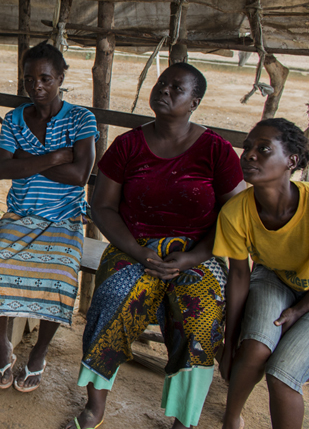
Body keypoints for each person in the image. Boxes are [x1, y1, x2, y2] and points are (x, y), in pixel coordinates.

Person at [74, 63, 245, 429]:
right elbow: (102, 206)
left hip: (198, 253)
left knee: (201, 319)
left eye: (176, 88)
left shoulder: (216, 151)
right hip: (132, 247)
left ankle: (185, 418)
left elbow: (235, 217)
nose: (164, 90)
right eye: (161, 83)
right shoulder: (127, 146)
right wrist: (139, 252)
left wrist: (194, 257)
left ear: (194, 101)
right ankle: (95, 406)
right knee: (111, 301)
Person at [215, 118, 309, 429]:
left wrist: (301, 309)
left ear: (291, 161)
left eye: (264, 149)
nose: (249, 155)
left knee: (282, 373)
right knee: (253, 348)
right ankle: (231, 419)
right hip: (276, 277)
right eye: (248, 147)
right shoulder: (236, 212)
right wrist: (229, 344)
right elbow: (239, 277)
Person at [0, 42, 97, 392]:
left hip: (64, 218)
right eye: (29, 79)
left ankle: (39, 353)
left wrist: (28, 161)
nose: (36, 85)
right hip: (21, 214)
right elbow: (3, 170)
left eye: (45, 78)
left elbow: (79, 176)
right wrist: (58, 156)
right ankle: (3, 347)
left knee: (59, 276)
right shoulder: (15, 118)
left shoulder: (80, 118)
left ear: (60, 78)